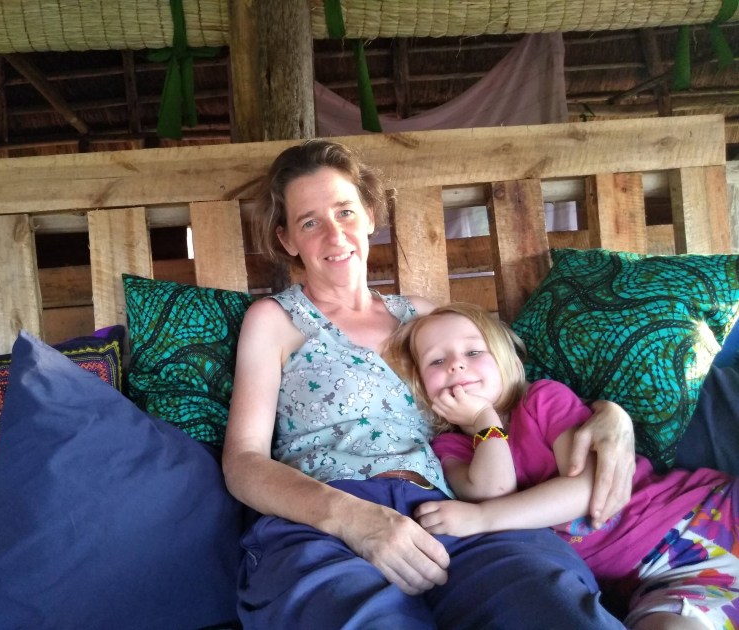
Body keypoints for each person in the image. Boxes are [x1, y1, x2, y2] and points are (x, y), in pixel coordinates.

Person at [222, 139, 635, 629]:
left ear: (369, 215)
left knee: (554, 609)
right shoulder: (275, 320)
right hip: (325, 520)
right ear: (288, 239)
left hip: (448, 513)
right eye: (310, 222)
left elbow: (508, 392)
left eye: (345, 212)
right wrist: (350, 517)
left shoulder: (422, 318)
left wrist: (611, 414)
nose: (335, 234)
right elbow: (243, 462)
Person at [384, 301, 739, 629]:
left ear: (510, 362)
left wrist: (482, 518)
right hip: (664, 581)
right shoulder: (450, 447)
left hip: (703, 512)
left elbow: (588, 488)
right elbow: (493, 489)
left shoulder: (541, 400)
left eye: (473, 352)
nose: (456, 365)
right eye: (436, 361)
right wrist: (483, 421)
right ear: (422, 386)